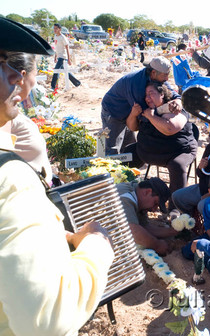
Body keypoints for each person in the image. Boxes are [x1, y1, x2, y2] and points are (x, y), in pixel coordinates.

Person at [0, 17, 114, 335]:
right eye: (1, 63)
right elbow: (46, 318)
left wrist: (49, 238)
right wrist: (96, 245)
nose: (17, 78)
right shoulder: (10, 181)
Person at [125, 81, 198, 211]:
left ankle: (175, 208)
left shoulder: (175, 108)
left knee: (177, 165)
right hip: (147, 151)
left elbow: (170, 128)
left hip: (177, 152)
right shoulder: (146, 109)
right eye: (145, 95)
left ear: (162, 94)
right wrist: (133, 114)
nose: (147, 98)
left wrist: (151, 116)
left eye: (151, 94)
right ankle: (128, 194)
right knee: (126, 155)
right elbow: (133, 127)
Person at [101, 56, 182, 155]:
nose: (166, 79)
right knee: (112, 149)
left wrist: (178, 100)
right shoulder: (135, 84)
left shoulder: (157, 78)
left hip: (129, 111)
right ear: (153, 73)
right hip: (113, 111)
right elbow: (144, 115)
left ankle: (128, 169)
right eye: (165, 75)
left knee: (129, 148)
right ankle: (110, 169)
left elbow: (170, 92)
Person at [6, 52, 52, 185]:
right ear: (21, 76)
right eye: (35, 75)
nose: (34, 82)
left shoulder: (11, 112)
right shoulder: (6, 118)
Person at [117, 177, 177, 256]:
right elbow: (133, 231)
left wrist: (173, 231)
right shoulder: (126, 198)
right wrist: (157, 245)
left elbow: (144, 227)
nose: (154, 210)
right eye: (155, 203)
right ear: (147, 192)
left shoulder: (136, 194)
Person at [51, 23, 81, 90]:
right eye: (54, 28)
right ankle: (77, 83)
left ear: (60, 29)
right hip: (59, 56)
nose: (55, 30)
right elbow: (56, 48)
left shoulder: (63, 37)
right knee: (66, 71)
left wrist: (69, 59)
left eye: (56, 28)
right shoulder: (55, 36)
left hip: (63, 57)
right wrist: (55, 57)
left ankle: (53, 86)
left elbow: (67, 48)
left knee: (56, 70)